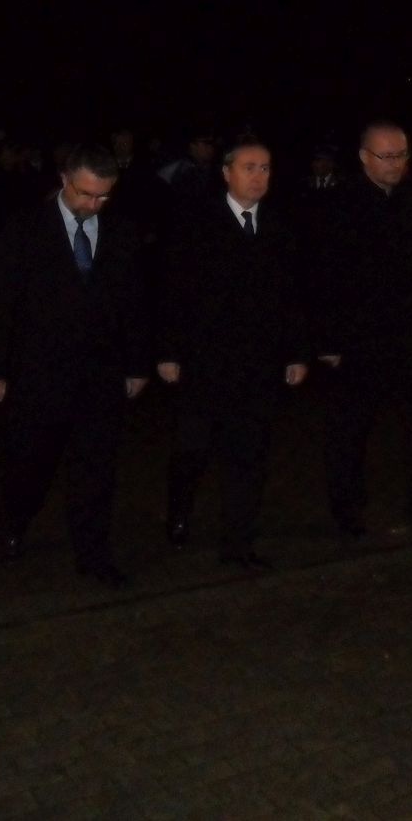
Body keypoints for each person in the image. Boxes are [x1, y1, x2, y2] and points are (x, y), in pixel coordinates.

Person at [0, 145, 148, 589]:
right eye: (86, 194)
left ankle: (93, 553)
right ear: (65, 179)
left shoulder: (121, 231)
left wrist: (136, 363)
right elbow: (0, 302)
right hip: (40, 371)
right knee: (31, 462)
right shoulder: (25, 229)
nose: (94, 204)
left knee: (96, 469)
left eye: (103, 196)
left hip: (100, 372)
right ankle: (13, 521)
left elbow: (132, 303)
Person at [156, 138, 308, 568]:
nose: (258, 177)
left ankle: (238, 541)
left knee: (249, 452)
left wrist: (296, 352)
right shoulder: (196, 223)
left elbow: (292, 294)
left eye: (265, 168)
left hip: (257, 364)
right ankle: (179, 509)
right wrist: (168, 351)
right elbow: (173, 290)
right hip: (205, 361)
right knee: (193, 448)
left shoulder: (279, 226)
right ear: (226, 173)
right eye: (249, 167)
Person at [314, 121, 412, 535]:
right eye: (386, 156)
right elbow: (323, 276)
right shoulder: (339, 205)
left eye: (401, 155)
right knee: (350, 428)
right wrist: (328, 338)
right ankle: (347, 510)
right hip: (361, 338)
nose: (395, 164)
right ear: (364, 157)